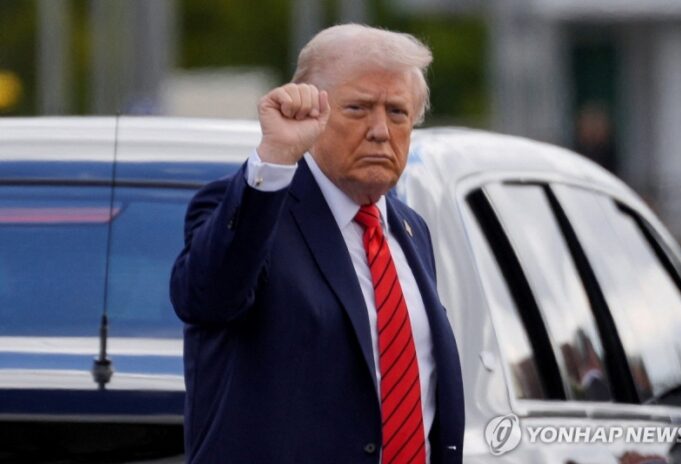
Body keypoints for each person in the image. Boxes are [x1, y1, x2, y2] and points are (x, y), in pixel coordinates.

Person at [170, 24, 464, 463]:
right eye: (358, 108)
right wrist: (275, 158)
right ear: (311, 112)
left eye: (397, 112)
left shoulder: (410, 230)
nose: (380, 130)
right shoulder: (256, 212)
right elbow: (205, 297)